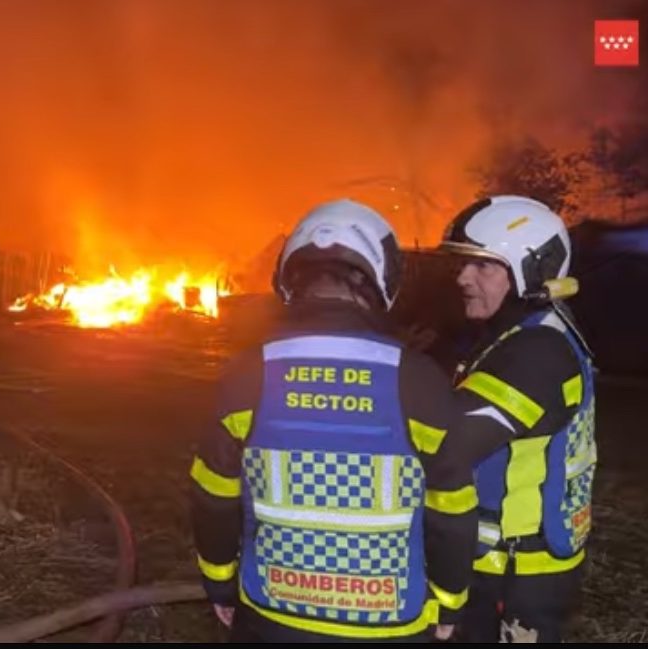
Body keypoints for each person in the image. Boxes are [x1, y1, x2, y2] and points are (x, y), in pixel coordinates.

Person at [190, 199, 479, 642]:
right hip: (391, 626)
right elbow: (452, 512)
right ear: (382, 280)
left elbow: (213, 498)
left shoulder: (246, 375)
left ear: (289, 277)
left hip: (272, 618)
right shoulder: (418, 380)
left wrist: (220, 584)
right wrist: (449, 600)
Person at [438, 195, 596, 643]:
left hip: (518, 572)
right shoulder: (522, 334)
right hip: (511, 562)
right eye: (464, 264)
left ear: (532, 268)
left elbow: (446, 445)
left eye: (483, 265)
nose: (462, 278)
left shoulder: (536, 352)